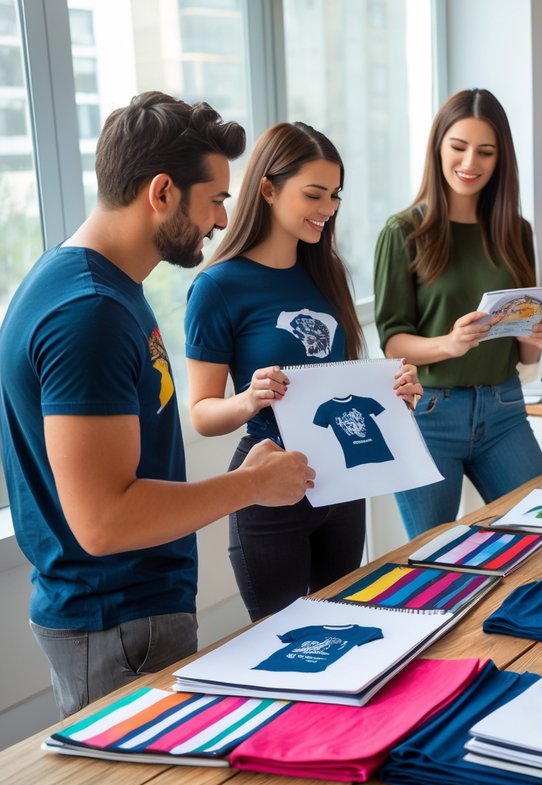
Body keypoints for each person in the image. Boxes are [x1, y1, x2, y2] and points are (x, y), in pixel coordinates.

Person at [0, 92, 314, 718]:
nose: (223, 221)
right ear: (163, 191)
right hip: (117, 624)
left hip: (126, 619)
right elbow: (104, 521)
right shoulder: (89, 313)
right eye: (216, 200)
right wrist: (251, 485)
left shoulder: (102, 287)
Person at [184, 122, 424, 621]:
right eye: (314, 194)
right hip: (268, 487)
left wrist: (396, 392)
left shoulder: (327, 272)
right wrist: (249, 398)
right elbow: (203, 415)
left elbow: (334, 381)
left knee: (348, 630)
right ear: (268, 188)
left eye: (335, 195)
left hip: (340, 482)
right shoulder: (217, 288)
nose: (328, 209)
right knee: (287, 646)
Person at [373, 88, 542, 538]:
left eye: (485, 152)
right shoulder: (402, 232)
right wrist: (449, 344)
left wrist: (533, 341)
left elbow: (524, 354)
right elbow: (394, 339)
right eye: (458, 147)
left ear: (500, 159)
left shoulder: (516, 232)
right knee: (436, 559)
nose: (470, 162)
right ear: (438, 148)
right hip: (429, 414)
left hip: (504, 407)